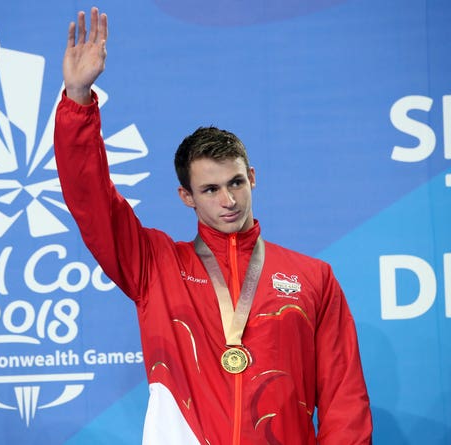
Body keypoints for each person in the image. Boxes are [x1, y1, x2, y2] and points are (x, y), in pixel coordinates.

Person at [54, 7, 372, 445]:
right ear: (185, 196)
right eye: (210, 190)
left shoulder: (313, 278)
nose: (229, 200)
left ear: (252, 177)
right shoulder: (155, 266)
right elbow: (91, 200)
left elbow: (344, 401)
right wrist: (77, 99)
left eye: (236, 183)